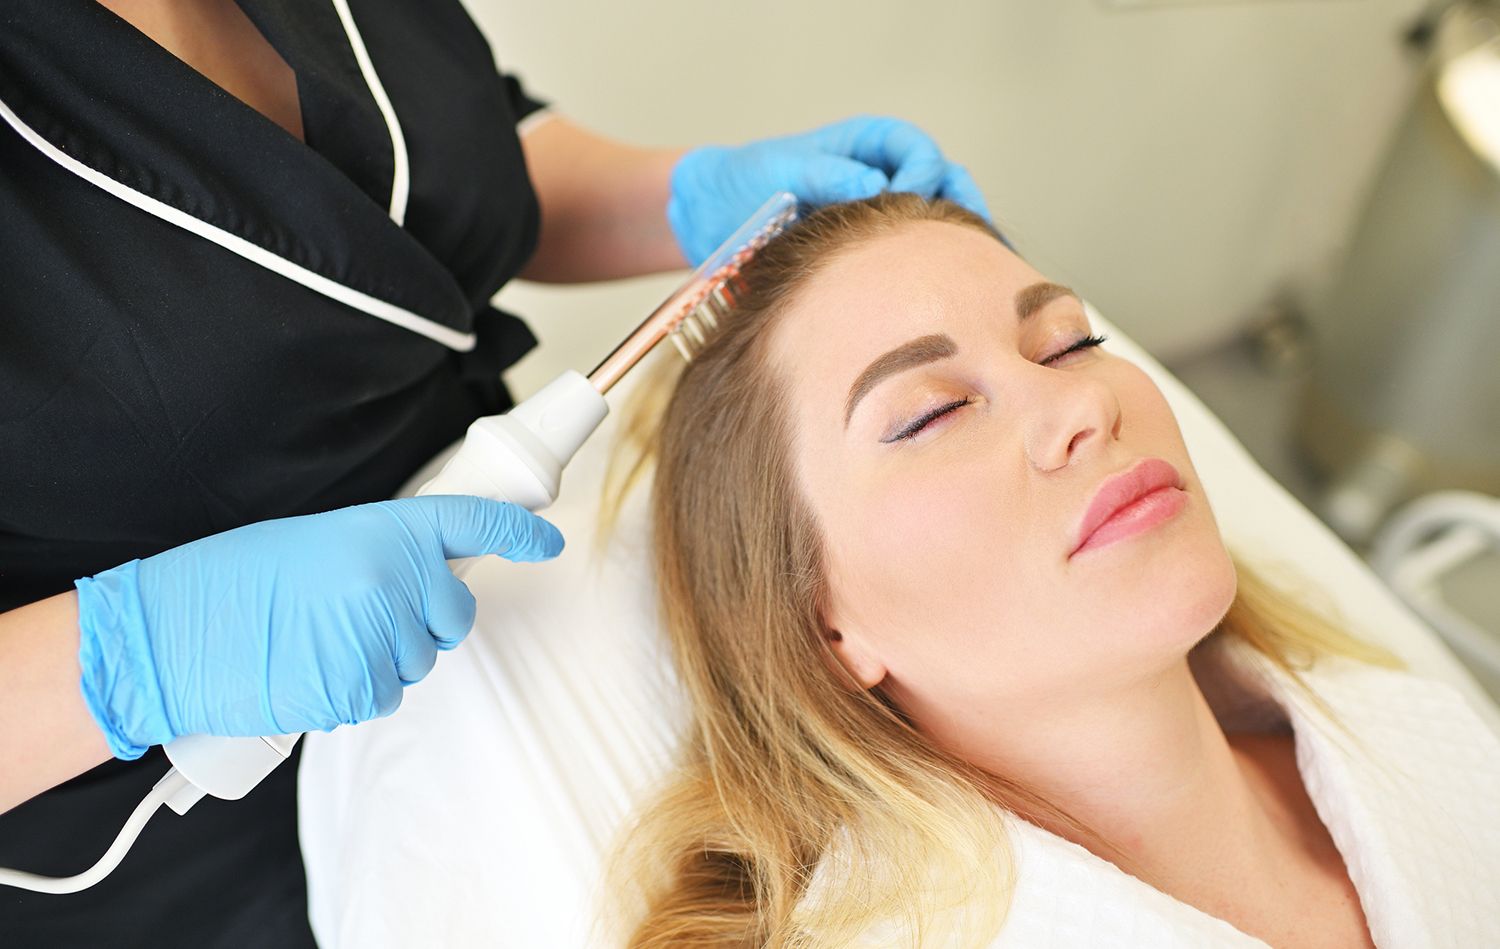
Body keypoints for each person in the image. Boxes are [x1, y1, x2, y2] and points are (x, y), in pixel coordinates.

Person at [0, 0, 988, 943]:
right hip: (179, 857)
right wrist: (143, 656)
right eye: (930, 413)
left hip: (504, 624)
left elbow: (420, 171)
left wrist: (682, 198)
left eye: (1071, 342)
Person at [607, 194, 1500, 946]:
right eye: (935, 413)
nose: (1080, 400)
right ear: (825, 625)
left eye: (1069, 341)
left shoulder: (1422, 739)